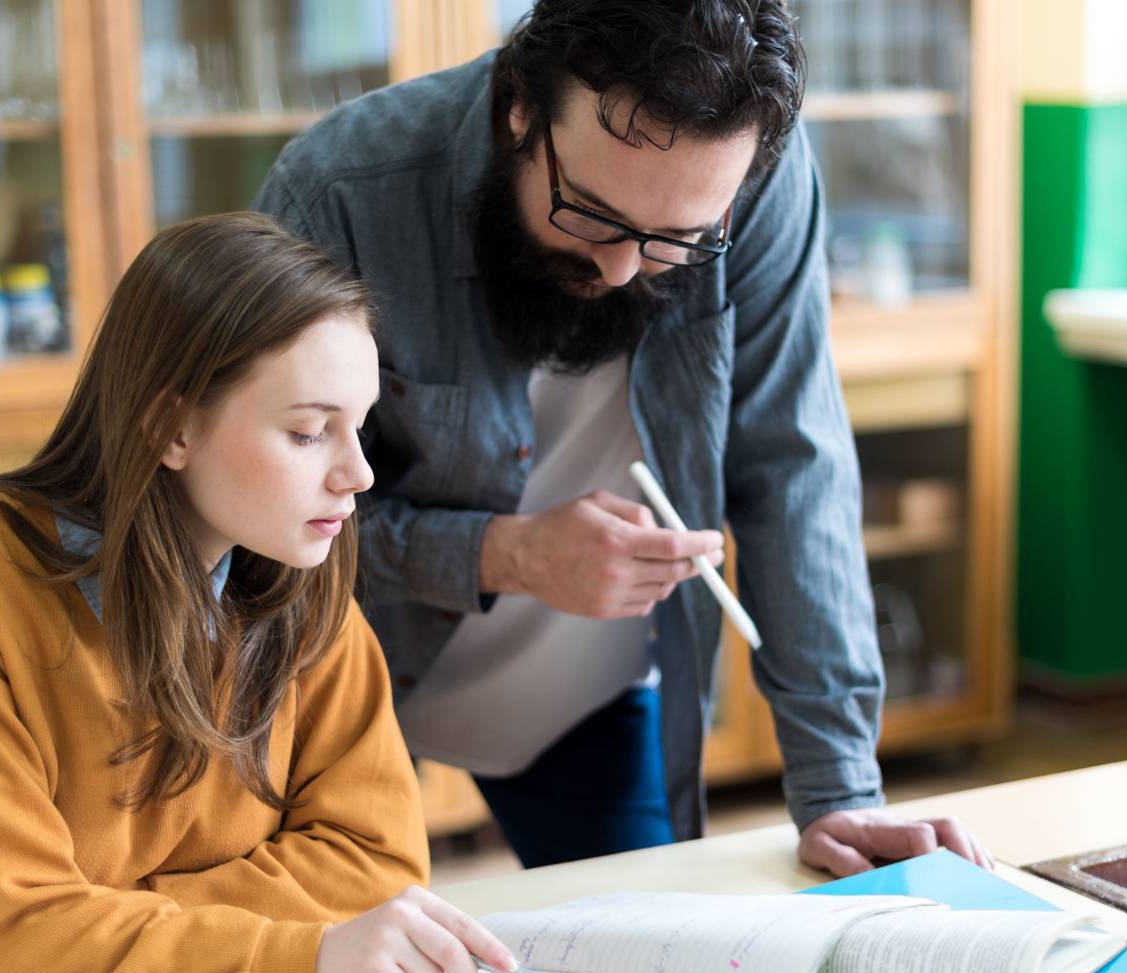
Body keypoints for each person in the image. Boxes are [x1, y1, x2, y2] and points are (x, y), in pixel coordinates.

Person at [251, 0, 992, 873]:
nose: (622, 270)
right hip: (346, 672)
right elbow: (258, 521)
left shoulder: (756, 184)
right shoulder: (342, 190)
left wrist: (839, 790)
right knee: (343, 967)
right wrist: (505, 555)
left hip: (582, 694)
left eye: (678, 240)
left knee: (649, 962)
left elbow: (794, 469)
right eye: (591, 215)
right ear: (520, 107)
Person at [0, 213, 515, 973]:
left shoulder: (303, 573)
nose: (356, 475)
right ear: (170, 426)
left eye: (358, 427)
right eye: (307, 432)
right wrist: (305, 954)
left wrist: (74, 927)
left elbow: (379, 866)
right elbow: (17, 946)